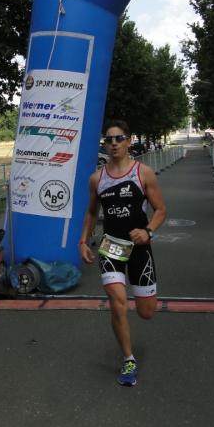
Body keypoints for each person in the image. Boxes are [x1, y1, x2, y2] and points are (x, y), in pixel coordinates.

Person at [78, 120, 167, 387]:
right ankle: (128, 359)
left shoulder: (143, 173)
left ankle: (142, 302)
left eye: (119, 138)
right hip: (111, 247)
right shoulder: (97, 178)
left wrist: (148, 231)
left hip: (139, 248)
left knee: (146, 312)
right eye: (109, 140)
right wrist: (83, 241)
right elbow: (91, 212)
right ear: (105, 144)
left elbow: (161, 210)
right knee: (117, 302)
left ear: (128, 141)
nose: (114, 143)